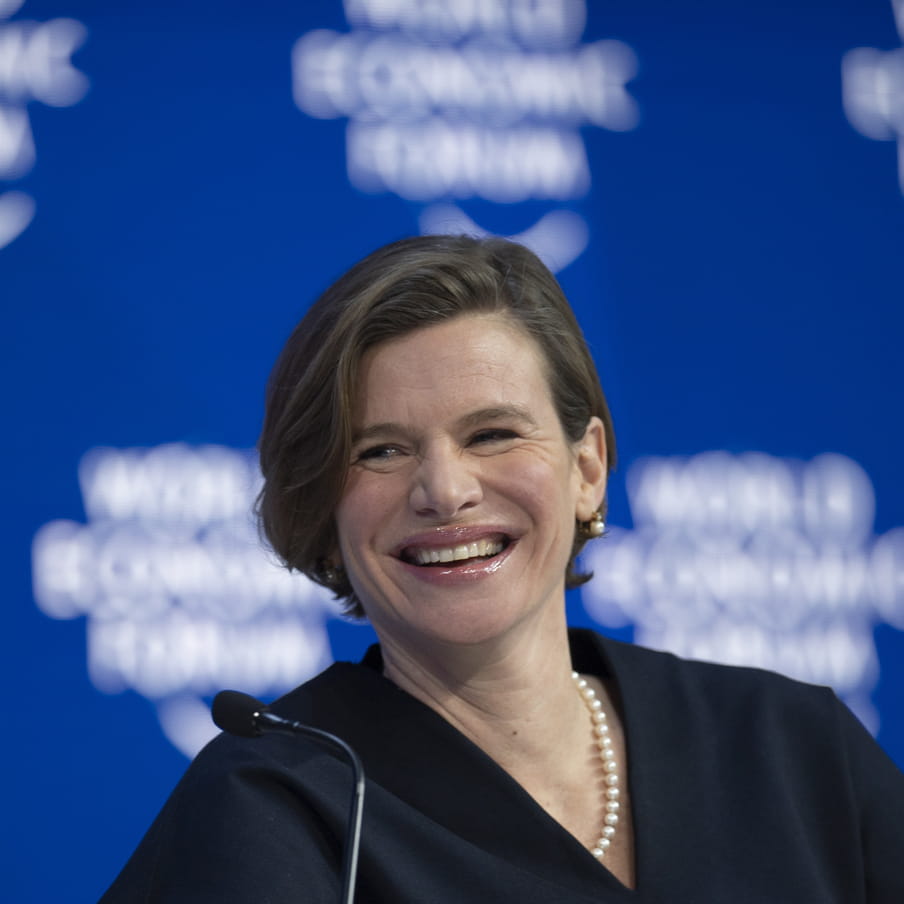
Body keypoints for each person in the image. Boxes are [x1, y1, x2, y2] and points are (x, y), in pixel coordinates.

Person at [100, 235, 904, 903]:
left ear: (587, 468)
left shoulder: (793, 750)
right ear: (323, 505)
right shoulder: (279, 805)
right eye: (382, 450)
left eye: (491, 434)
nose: (445, 491)